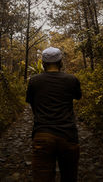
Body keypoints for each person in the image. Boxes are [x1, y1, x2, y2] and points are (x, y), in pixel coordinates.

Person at [26, 46, 82, 182]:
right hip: (68, 135)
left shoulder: (34, 81)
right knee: (69, 177)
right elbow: (78, 96)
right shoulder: (71, 79)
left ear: (43, 63)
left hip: (42, 135)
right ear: (60, 62)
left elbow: (33, 105)